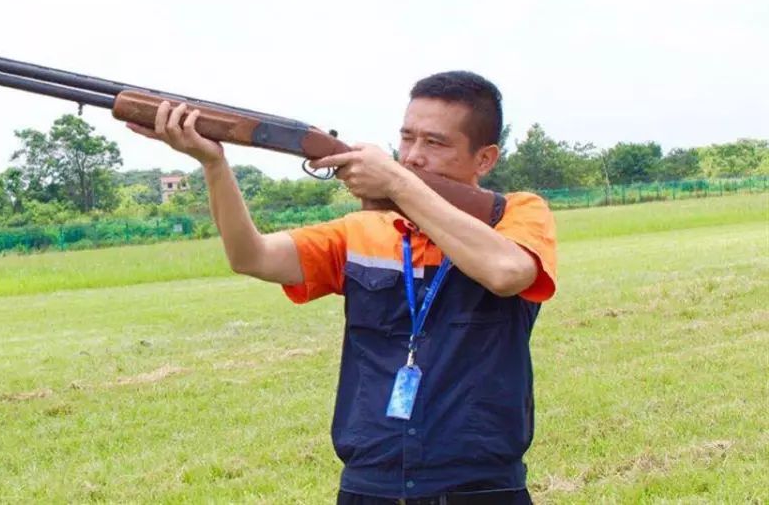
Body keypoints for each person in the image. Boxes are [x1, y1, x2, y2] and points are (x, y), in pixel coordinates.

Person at [130, 71, 557, 505]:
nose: (411, 156)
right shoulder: (363, 230)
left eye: (435, 142)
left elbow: (508, 272)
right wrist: (214, 164)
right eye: (406, 138)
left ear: (484, 159)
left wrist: (395, 183)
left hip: (482, 485)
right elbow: (252, 257)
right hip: (371, 481)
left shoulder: (515, 214)